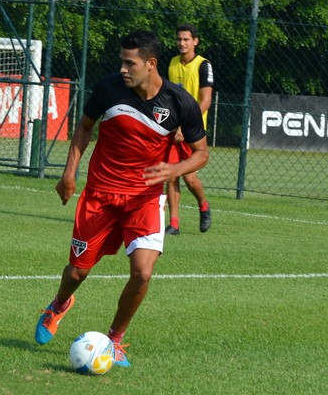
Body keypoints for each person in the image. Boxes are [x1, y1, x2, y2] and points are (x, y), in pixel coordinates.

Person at [34, 30, 209, 367]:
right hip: (99, 195)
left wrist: (173, 171)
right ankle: (58, 305)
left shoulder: (179, 102)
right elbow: (84, 127)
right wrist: (69, 173)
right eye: (122, 62)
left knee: (143, 273)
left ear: (151, 64)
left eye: (131, 63)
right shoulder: (108, 87)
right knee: (76, 274)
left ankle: (115, 340)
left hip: (143, 199)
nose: (123, 69)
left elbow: (201, 154)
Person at [164, 23, 214, 235]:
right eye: (179, 39)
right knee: (171, 175)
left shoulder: (204, 65)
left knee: (189, 177)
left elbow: (206, 101)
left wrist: (186, 126)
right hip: (174, 131)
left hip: (193, 132)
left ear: (195, 41)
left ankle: (203, 205)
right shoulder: (173, 63)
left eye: (186, 39)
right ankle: (174, 224)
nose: (182, 43)